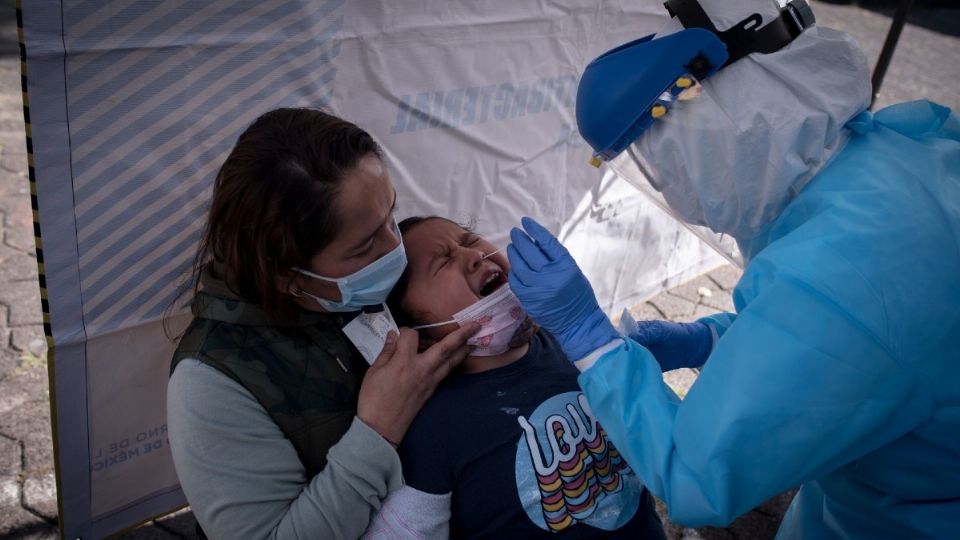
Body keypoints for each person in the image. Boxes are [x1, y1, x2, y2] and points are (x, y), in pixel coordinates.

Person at [505, 0, 960, 539]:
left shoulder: (843, 280)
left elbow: (696, 475)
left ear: (731, 120)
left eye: (667, 158)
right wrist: (711, 340)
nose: (676, 191)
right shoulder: (895, 153)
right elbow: (847, 352)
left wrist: (593, 345)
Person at [166, 109, 479, 539]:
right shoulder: (211, 383)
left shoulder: (366, 290)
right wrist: (377, 431)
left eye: (391, 215)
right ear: (288, 274)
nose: (396, 247)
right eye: (366, 244)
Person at [363, 216, 667, 539]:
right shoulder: (433, 426)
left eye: (469, 240)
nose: (474, 255)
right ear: (421, 335)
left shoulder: (571, 341)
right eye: (444, 262)